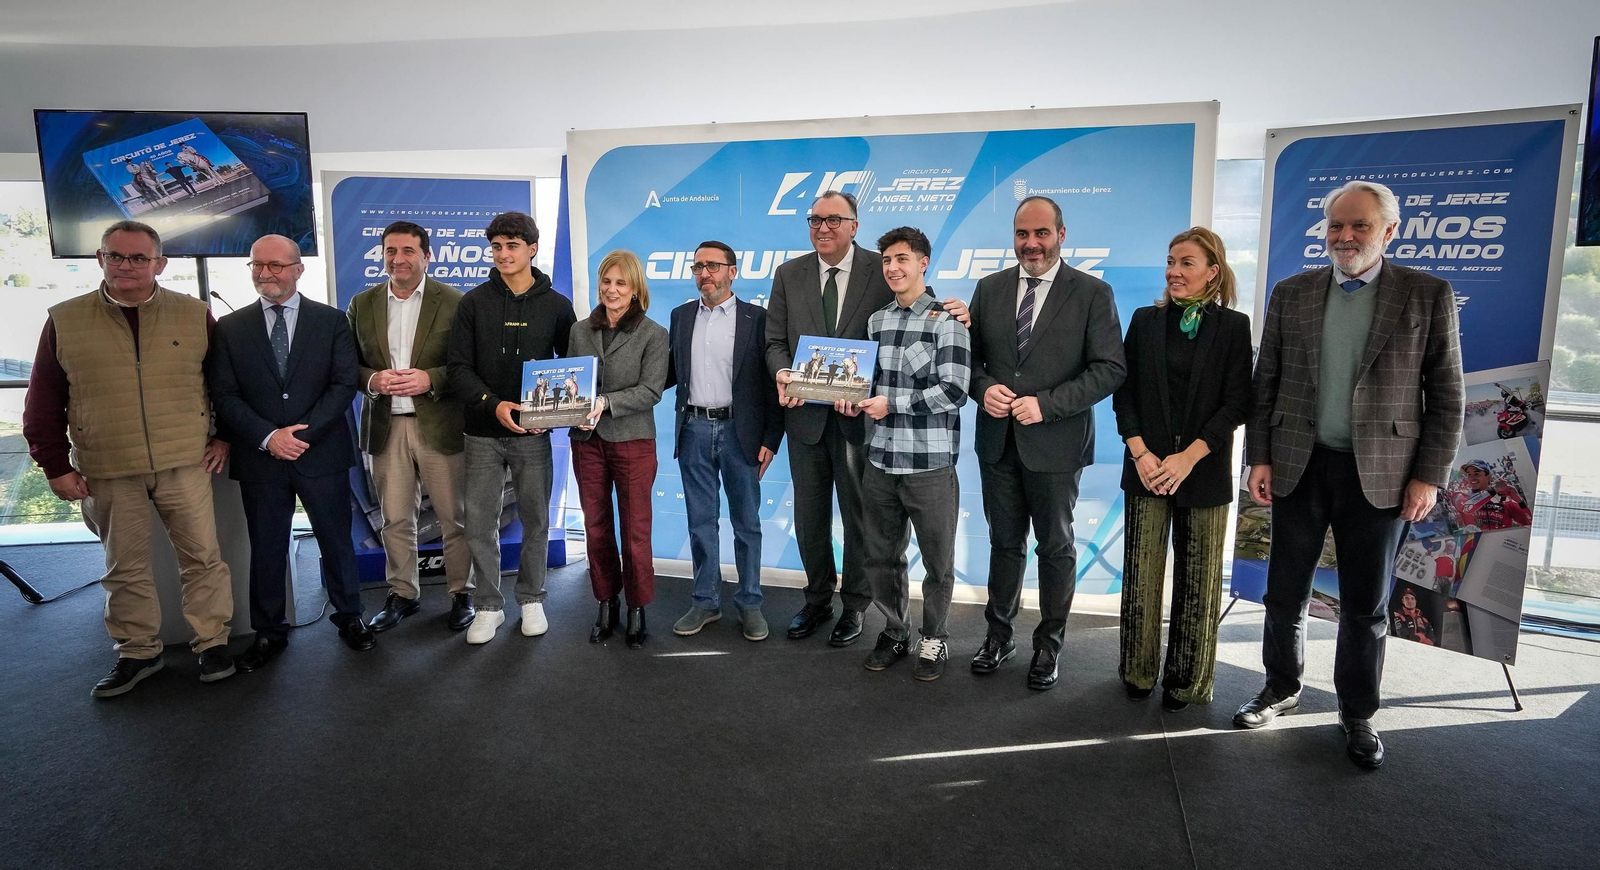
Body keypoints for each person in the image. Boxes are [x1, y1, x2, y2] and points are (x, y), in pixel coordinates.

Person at [1236, 180, 1464, 770]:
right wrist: (1257, 456)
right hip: (1298, 463)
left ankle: (1357, 711)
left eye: (1359, 226)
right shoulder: (1293, 292)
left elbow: (1446, 395)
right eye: (1336, 225)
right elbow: (1266, 384)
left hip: (1384, 474)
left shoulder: (1427, 294)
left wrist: (1429, 476)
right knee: (1284, 591)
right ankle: (1280, 688)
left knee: (1366, 603)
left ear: (1390, 231)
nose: (1345, 236)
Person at [23, 220, 235, 697]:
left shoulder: (194, 314)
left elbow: (224, 384)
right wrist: (54, 464)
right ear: (100, 259)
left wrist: (224, 437)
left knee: (203, 558)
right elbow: (43, 400)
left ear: (159, 264)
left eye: (139, 258)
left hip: (184, 461)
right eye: (116, 256)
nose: (126, 266)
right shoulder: (65, 319)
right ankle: (138, 652)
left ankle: (213, 643)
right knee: (124, 567)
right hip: (108, 467)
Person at [764, 190, 969, 647]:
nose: (823, 227)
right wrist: (783, 372)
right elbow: (774, 340)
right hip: (805, 420)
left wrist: (958, 309)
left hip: (864, 425)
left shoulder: (880, 272)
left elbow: (916, 305)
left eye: (834, 219)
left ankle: (855, 605)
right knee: (809, 517)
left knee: (862, 522)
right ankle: (817, 598)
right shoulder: (788, 273)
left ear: (854, 226)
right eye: (815, 219)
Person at [966, 196, 1125, 690]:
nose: (1031, 244)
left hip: (1056, 443)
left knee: (1055, 548)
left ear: (1061, 233)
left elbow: (1110, 369)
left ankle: (1048, 645)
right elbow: (966, 360)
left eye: (1041, 233)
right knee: (1003, 544)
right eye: (1022, 234)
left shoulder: (1093, 292)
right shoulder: (988, 288)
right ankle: (999, 636)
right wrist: (981, 388)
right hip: (997, 442)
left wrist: (1048, 404)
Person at [209, 234, 375, 670]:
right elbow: (223, 394)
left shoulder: (333, 321)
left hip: (319, 453)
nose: (266, 273)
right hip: (261, 457)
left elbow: (343, 386)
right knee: (265, 546)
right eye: (257, 265)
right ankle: (268, 631)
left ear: (298, 269)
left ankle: (350, 617)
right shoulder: (229, 328)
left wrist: (299, 435)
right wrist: (268, 437)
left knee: (337, 541)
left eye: (276, 266)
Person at [1112, 227, 1251, 710]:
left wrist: (1188, 456)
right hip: (1146, 469)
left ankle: (1187, 683)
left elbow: (1237, 403)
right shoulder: (1144, 320)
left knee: (1199, 581)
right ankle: (1137, 672)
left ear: (1213, 271)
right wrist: (1141, 453)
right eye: (1171, 261)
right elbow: (1123, 394)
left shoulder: (1234, 327)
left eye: (1187, 262)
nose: (1174, 270)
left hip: (1203, 470)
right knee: (1141, 577)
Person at [842, 226, 970, 681]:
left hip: (930, 466)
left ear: (922, 263)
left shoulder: (947, 321)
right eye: (886, 261)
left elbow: (954, 391)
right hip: (880, 460)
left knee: (939, 562)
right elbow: (866, 384)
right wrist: (847, 395)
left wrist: (890, 404)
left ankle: (935, 638)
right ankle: (897, 630)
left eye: (902, 259)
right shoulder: (877, 321)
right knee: (880, 557)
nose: (893, 268)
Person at [447, 211, 576, 644]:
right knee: (479, 521)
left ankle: (532, 598)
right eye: (497, 247)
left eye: (512, 246)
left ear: (532, 249)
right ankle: (487, 606)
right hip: (481, 431)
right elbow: (458, 369)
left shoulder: (557, 306)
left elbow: (571, 369)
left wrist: (553, 413)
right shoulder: (473, 302)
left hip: (534, 434)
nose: (503, 254)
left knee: (536, 518)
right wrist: (493, 403)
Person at [347, 220, 475, 634]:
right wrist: (371, 380)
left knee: (454, 517)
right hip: (387, 426)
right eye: (390, 251)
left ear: (427, 256)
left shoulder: (455, 302)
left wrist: (431, 379)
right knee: (395, 519)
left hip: (440, 424)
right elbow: (345, 364)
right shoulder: (361, 304)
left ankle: (462, 593)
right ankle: (403, 594)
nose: (397, 259)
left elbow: (469, 367)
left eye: (407, 251)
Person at [667, 241, 784, 642]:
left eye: (713, 266)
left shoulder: (758, 318)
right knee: (701, 524)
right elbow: (666, 373)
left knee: (746, 524)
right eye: (698, 266)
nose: (705, 274)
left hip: (741, 433)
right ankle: (705, 601)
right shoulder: (680, 316)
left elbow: (771, 385)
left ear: (732, 272)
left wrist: (772, 437)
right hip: (695, 429)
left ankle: (750, 603)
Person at [567, 250, 670, 648]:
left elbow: (651, 390)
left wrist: (606, 403)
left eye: (620, 283)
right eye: (606, 282)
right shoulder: (579, 330)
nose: (611, 290)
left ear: (635, 289)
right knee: (595, 528)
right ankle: (605, 602)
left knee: (635, 531)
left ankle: (637, 607)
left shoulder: (653, 333)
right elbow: (572, 381)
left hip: (633, 440)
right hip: (587, 441)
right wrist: (573, 407)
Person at [1447, 459, 1532, 530]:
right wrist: (1492, 490)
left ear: (1488, 477)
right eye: (1469, 474)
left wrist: (1518, 499)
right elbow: (1466, 508)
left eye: (1476, 474)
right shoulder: (1460, 495)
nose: (1472, 478)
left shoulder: (1505, 500)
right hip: (1474, 545)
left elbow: (1529, 523)